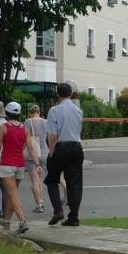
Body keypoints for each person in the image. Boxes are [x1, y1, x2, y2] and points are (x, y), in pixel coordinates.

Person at [0, 101, 37, 234]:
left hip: (7, 165)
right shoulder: (25, 129)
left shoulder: (3, 128)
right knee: (11, 194)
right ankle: (7, 221)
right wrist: (37, 163)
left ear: (7, 113)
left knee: (13, 193)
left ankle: (22, 221)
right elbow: (30, 148)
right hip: (20, 165)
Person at [45, 81, 85, 226]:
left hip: (60, 147)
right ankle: (73, 216)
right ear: (71, 94)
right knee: (75, 183)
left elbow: (53, 134)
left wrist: (51, 151)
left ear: (58, 94)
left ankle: (58, 210)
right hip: (76, 147)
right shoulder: (78, 111)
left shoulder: (54, 110)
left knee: (51, 180)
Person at [25, 104, 48, 213]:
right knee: (39, 178)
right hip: (44, 151)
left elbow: (25, 137)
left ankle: (38, 204)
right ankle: (41, 201)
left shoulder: (28, 122)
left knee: (34, 179)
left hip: (33, 153)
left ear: (30, 112)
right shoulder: (45, 122)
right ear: (39, 112)